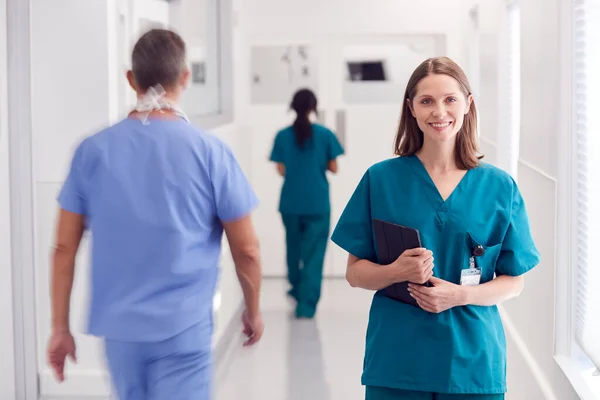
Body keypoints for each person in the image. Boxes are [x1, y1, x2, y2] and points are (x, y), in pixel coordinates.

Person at [46, 29, 264, 400]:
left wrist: (59, 328)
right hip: (183, 328)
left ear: (131, 79)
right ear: (185, 77)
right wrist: (253, 309)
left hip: (120, 332)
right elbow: (248, 251)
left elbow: (64, 248)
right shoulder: (210, 152)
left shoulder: (92, 151)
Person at [330, 56, 540, 400]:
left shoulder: (500, 187)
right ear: (410, 108)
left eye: (450, 100)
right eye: (426, 101)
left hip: (471, 362)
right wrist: (395, 271)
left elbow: (514, 281)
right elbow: (355, 273)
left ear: (468, 104)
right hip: (398, 360)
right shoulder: (381, 180)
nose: (439, 112)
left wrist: (459, 295)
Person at [269, 88, 344, 318]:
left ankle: (296, 289)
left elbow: (281, 169)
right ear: (313, 107)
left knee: (293, 249)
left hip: (291, 202)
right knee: (313, 253)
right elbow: (334, 167)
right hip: (317, 204)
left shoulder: (282, 136)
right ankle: (307, 304)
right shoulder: (325, 134)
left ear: (293, 106)